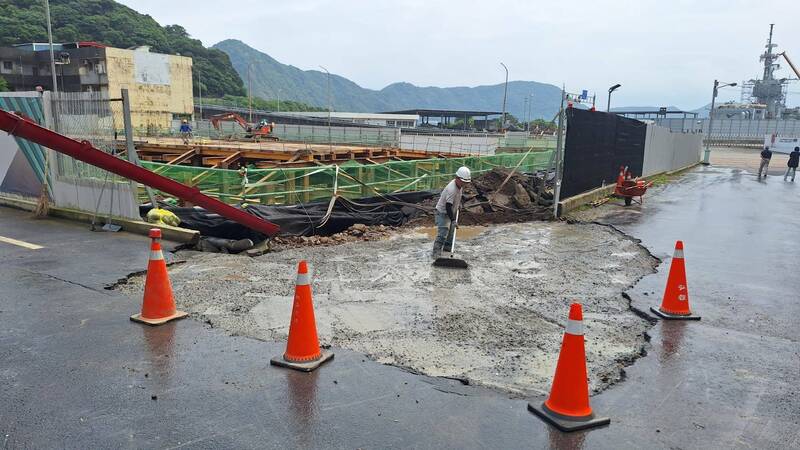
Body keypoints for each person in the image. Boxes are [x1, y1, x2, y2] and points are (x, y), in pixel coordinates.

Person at [432, 166, 471, 258]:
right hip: (443, 212)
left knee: (451, 233)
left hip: (451, 211)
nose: (464, 184)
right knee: (443, 232)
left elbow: (457, 197)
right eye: (463, 182)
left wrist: (458, 205)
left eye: (466, 182)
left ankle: (447, 249)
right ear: (457, 178)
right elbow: (448, 206)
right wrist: (453, 220)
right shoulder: (451, 189)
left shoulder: (460, 186)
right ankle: (436, 252)